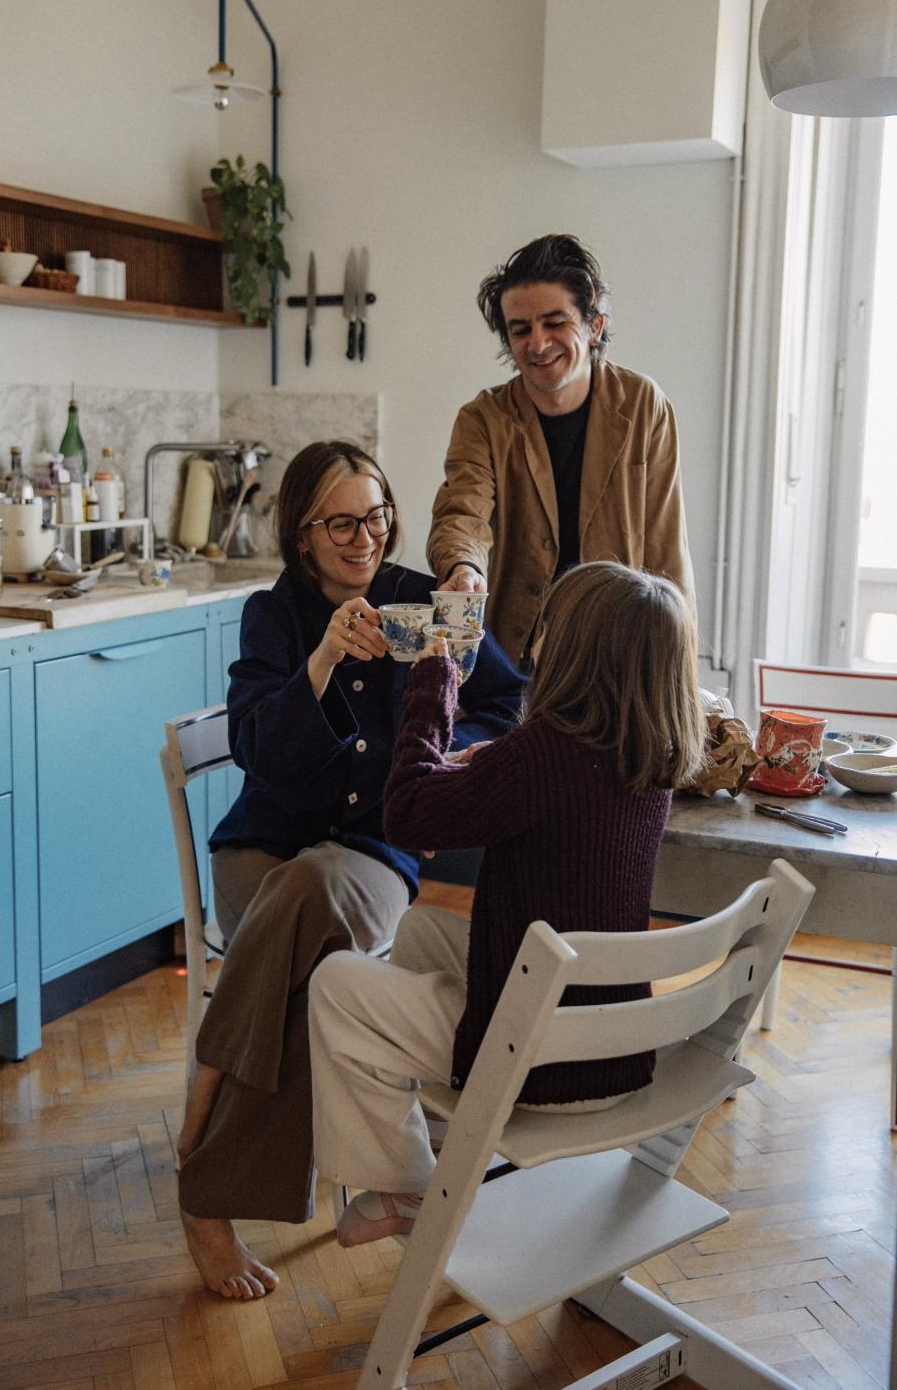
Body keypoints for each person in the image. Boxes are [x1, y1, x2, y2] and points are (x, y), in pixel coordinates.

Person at [176, 439, 524, 1298]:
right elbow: (260, 751)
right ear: (302, 534)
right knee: (308, 948)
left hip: (372, 851)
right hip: (264, 846)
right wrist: (324, 660)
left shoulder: (422, 600)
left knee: (309, 901)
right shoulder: (275, 616)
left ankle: (204, 1134)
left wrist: (443, 761)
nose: (365, 536)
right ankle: (250, 1178)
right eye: (341, 522)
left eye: (375, 515)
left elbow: (502, 705)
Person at [308, 561, 706, 1246]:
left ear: (575, 655)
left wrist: (435, 683)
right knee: (421, 929)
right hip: (610, 1034)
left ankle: (407, 1184)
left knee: (336, 985)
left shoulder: (542, 756)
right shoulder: (649, 751)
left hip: (543, 1056)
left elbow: (406, 813)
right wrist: (485, 765)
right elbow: (547, 792)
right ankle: (437, 1132)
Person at [426, 233, 696, 666]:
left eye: (555, 323)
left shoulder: (644, 405)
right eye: (521, 330)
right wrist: (464, 568)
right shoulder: (483, 418)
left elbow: (666, 552)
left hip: (615, 655)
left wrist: (676, 673)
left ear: (594, 326)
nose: (537, 343)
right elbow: (462, 513)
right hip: (512, 658)